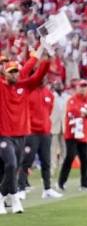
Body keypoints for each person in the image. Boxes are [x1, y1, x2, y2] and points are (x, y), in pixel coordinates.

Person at [0, 51, 50, 214]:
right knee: (11, 164)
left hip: (21, 135)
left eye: (16, 72)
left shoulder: (24, 86)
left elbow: (38, 75)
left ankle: (8, 198)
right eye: (10, 72)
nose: (14, 75)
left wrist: (45, 59)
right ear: (5, 74)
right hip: (4, 134)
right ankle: (7, 196)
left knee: (13, 168)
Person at [17, 63, 63, 199]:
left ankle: (47, 188)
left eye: (45, 77)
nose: (44, 79)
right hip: (31, 132)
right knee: (26, 161)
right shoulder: (29, 91)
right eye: (41, 76)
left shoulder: (50, 94)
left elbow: (48, 111)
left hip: (45, 132)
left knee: (46, 161)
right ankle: (21, 188)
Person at [58, 80, 87, 191]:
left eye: (85, 86)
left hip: (83, 134)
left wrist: (84, 111)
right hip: (72, 134)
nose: (83, 89)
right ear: (77, 88)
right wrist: (85, 111)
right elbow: (73, 111)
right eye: (81, 86)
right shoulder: (72, 100)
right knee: (70, 156)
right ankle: (61, 181)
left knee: (85, 159)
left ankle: (84, 182)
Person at [49, 79, 69, 180]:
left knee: (64, 149)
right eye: (56, 84)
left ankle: (62, 168)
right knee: (52, 149)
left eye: (60, 84)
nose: (59, 86)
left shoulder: (67, 97)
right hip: (53, 124)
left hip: (65, 126)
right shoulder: (51, 96)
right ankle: (52, 169)